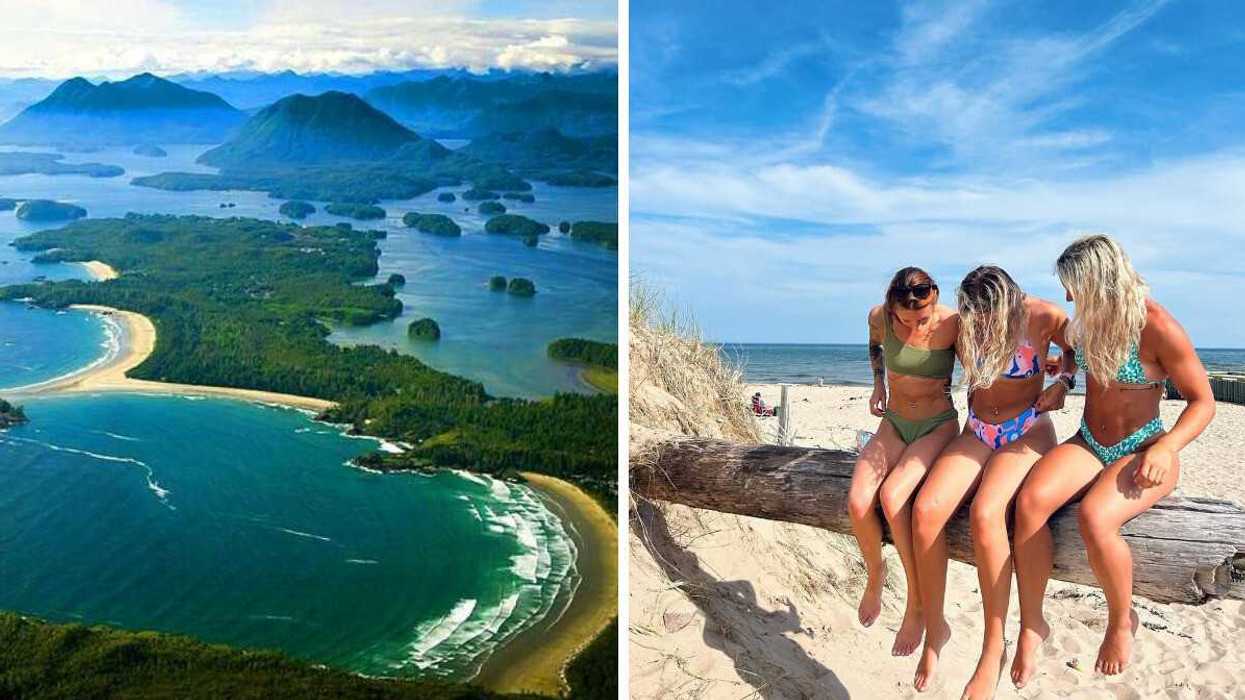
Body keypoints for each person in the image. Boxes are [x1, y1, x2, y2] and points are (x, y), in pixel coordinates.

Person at [1010, 234, 1214, 685]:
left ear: (1097, 281)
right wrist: (1063, 381)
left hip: (1144, 446)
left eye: (1073, 286)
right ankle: (1031, 623)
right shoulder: (1085, 322)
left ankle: (1121, 621)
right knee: (1029, 504)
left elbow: (1204, 402)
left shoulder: (1158, 326)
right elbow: (1070, 356)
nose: (1067, 296)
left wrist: (1167, 447)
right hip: (1088, 442)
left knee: (1095, 519)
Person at [908, 266, 1074, 696]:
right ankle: (935, 627)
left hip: (1028, 429)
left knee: (986, 513)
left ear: (1009, 303)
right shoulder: (963, 322)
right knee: (925, 512)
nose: (979, 324)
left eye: (987, 315)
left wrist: (1064, 382)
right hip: (977, 430)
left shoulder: (1043, 315)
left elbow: (1079, 348)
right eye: (973, 315)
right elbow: (906, 327)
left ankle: (993, 646)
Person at [847, 267, 960, 656]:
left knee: (895, 498)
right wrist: (878, 382)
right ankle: (875, 578)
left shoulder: (953, 324)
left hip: (938, 425)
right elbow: (875, 345)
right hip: (894, 422)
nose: (915, 326)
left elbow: (983, 367)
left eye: (922, 318)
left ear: (935, 298)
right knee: (859, 502)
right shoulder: (879, 317)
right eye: (906, 319)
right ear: (892, 308)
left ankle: (917, 605)